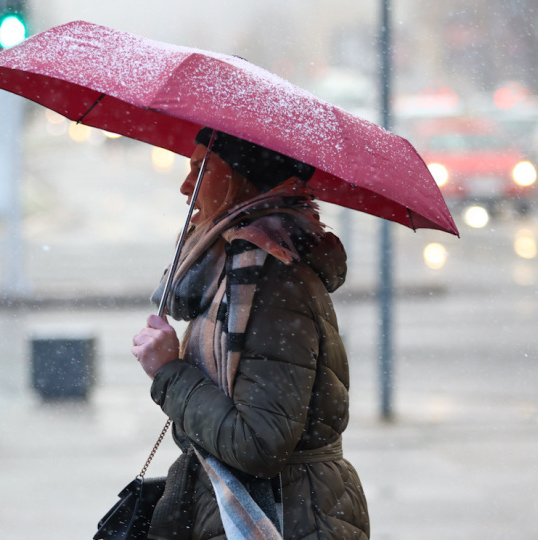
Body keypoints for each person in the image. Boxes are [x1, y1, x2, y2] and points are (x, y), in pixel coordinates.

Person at [131, 128, 370, 539]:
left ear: (244, 178)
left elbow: (258, 444)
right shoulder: (236, 273)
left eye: (201, 170)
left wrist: (169, 372)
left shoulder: (269, 284)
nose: (186, 186)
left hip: (285, 517)